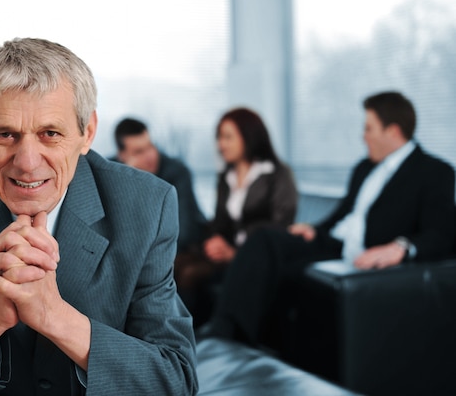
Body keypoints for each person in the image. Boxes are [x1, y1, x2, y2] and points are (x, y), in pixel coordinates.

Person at [0, 38, 198, 395]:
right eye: (6, 134)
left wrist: (56, 317)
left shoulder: (147, 206)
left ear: (86, 133)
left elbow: (175, 381)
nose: (27, 162)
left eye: (50, 133)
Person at [201, 91, 456, 346]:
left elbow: (442, 232)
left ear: (393, 131)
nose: (363, 136)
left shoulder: (434, 172)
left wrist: (402, 247)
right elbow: (345, 214)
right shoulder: (364, 168)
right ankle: (229, 330)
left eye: (369, 128)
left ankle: (226, 337)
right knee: (266, 240)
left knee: (278, 260)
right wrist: (315, 230)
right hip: (333, 243)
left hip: (364, 252)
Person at [175, 107, 298, 327]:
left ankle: (191, 340)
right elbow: (220, 222)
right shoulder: (226, 176)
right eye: (219, 137)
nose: (221, 144)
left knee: (189, 273)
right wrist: (214, 242)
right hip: (225, 254)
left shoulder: (277, 174)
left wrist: (235, 253)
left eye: (228, 137)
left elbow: (279, 227)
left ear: (249, 136)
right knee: (173, 265)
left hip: (255, 259)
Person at [112, 117, 207, 253]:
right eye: (139, 152)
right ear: (122, 157)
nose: (149, 156)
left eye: (150, 146)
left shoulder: (177, 172)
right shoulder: (111, 172)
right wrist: (131, 178)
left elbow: (182, 233)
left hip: (181, 251)